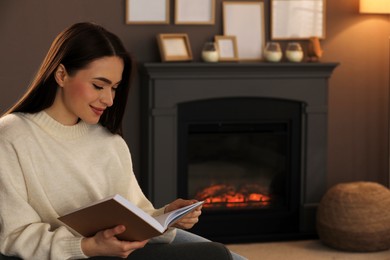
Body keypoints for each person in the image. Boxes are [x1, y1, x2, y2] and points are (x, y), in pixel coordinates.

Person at [0, 22, 246, 260]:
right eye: (99, 86)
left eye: (115, 88)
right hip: (74, 255)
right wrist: (87, 246)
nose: (108, 100)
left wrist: (166, 215)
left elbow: (136, 216)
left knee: (228, 256)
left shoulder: (109, 142)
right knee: (214, 255)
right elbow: (13, 235)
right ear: (62, 74)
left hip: (123, 250)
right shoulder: (11, 136)